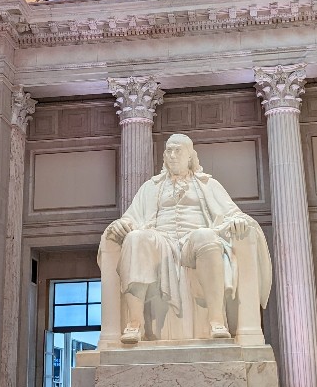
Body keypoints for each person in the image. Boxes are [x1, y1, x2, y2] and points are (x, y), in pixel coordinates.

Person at [100, 133, 272, 344]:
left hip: (195, 240)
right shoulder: (150, 187)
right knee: (135, 238)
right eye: (168, 151)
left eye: (178, 150)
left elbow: (232, 213)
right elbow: (131, 218)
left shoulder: (209, 185)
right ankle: (135, 323)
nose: (172, 155)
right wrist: (121, 224)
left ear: (190, 156)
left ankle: (216, 320)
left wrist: (238, 221)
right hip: (160, 241)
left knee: (206, 236)